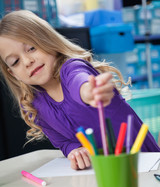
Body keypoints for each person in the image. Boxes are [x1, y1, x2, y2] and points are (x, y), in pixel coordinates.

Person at [0, 10, 159, 170]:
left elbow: (80, 82)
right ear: (13, 73)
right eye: (15, 61)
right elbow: (63, 142)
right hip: (100, 173)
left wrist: (90, 91)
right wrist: (74, 150)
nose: (27, 61)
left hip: (141, 163)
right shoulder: (33, 104)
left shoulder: (72, 67)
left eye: (32, 48)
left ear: (48, 39)